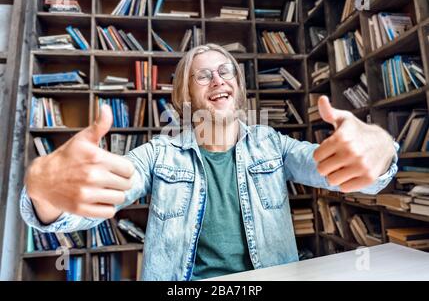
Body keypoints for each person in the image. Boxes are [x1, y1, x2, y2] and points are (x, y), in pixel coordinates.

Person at [20, 44, 398, 281]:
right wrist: (44, 191)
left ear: (238, 85)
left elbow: (342, 173)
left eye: (225, 71)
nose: (217, 80)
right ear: (186, 94)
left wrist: (380, 150)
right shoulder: (159, 154)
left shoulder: (272, 144)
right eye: (203, 75)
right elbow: (91, 204)